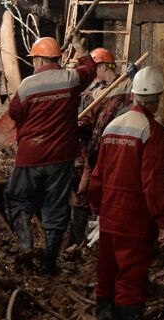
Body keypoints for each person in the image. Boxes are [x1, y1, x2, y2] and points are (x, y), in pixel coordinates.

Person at [88, 66, 164, 320]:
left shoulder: (113, 126)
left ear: (133, 94)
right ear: (157, 98)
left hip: (109, 219)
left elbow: (96, 178)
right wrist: (162, 222)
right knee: (130, 285)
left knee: (105, 283)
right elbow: (152, 183)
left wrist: (98, 211)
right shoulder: (152, 131)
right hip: (134, 224)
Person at [6, 36, 97, 274]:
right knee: (55, 208)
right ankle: (49, 264)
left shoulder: (27, 85)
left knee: (19, 199)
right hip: (60, 157)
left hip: (30, 155)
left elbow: (14, 112)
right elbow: (90, 69)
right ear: (57, 58)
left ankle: (26, 245)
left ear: (37, 59)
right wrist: (80, 47)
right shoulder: (71, 79)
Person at [68, 48, 122, 250]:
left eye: (94, 69)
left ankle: (101, 243)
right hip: (94, 152)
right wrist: (78, 124)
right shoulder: (96, 92)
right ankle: (76, 241)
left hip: (114, 154)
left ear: (102, 66)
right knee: (83, 194)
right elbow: (90, 120)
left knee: (107, 196)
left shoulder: (125, 87)